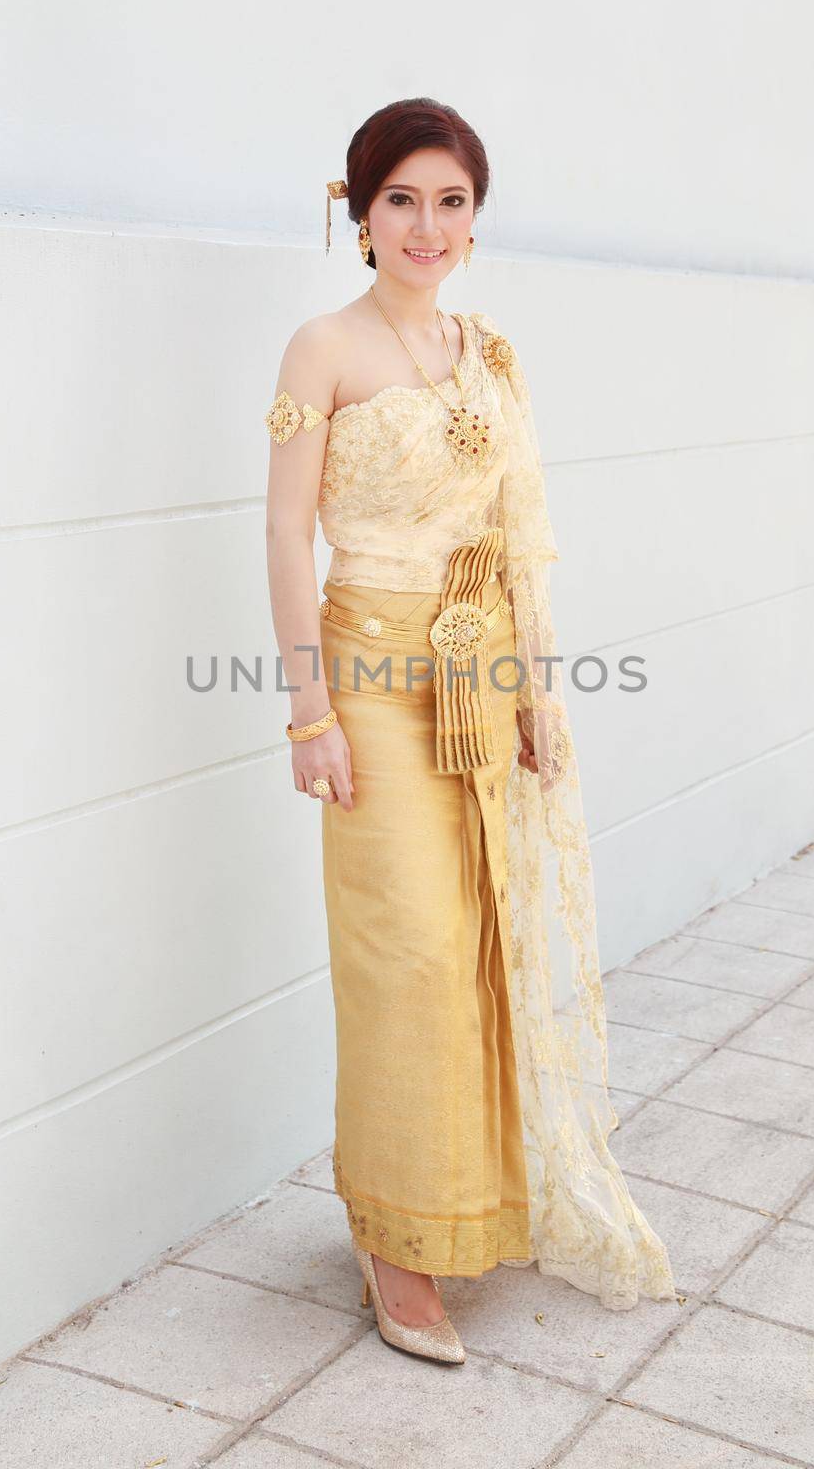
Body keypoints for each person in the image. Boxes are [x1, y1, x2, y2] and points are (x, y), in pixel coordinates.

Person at [264, 97, 676, 1364]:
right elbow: (284, 531)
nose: (425, 225)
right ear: (358, 210)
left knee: (484, 940)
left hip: (481, 679)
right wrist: (308, 711)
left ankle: (463, 1203)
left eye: (449, 201)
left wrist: (536, 693)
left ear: (472, 218)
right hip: (368, 681)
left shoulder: (489, 353)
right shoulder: (321, 347)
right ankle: (394, 1244)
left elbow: (517, 534)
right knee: (410, 953)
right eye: (401, 199)